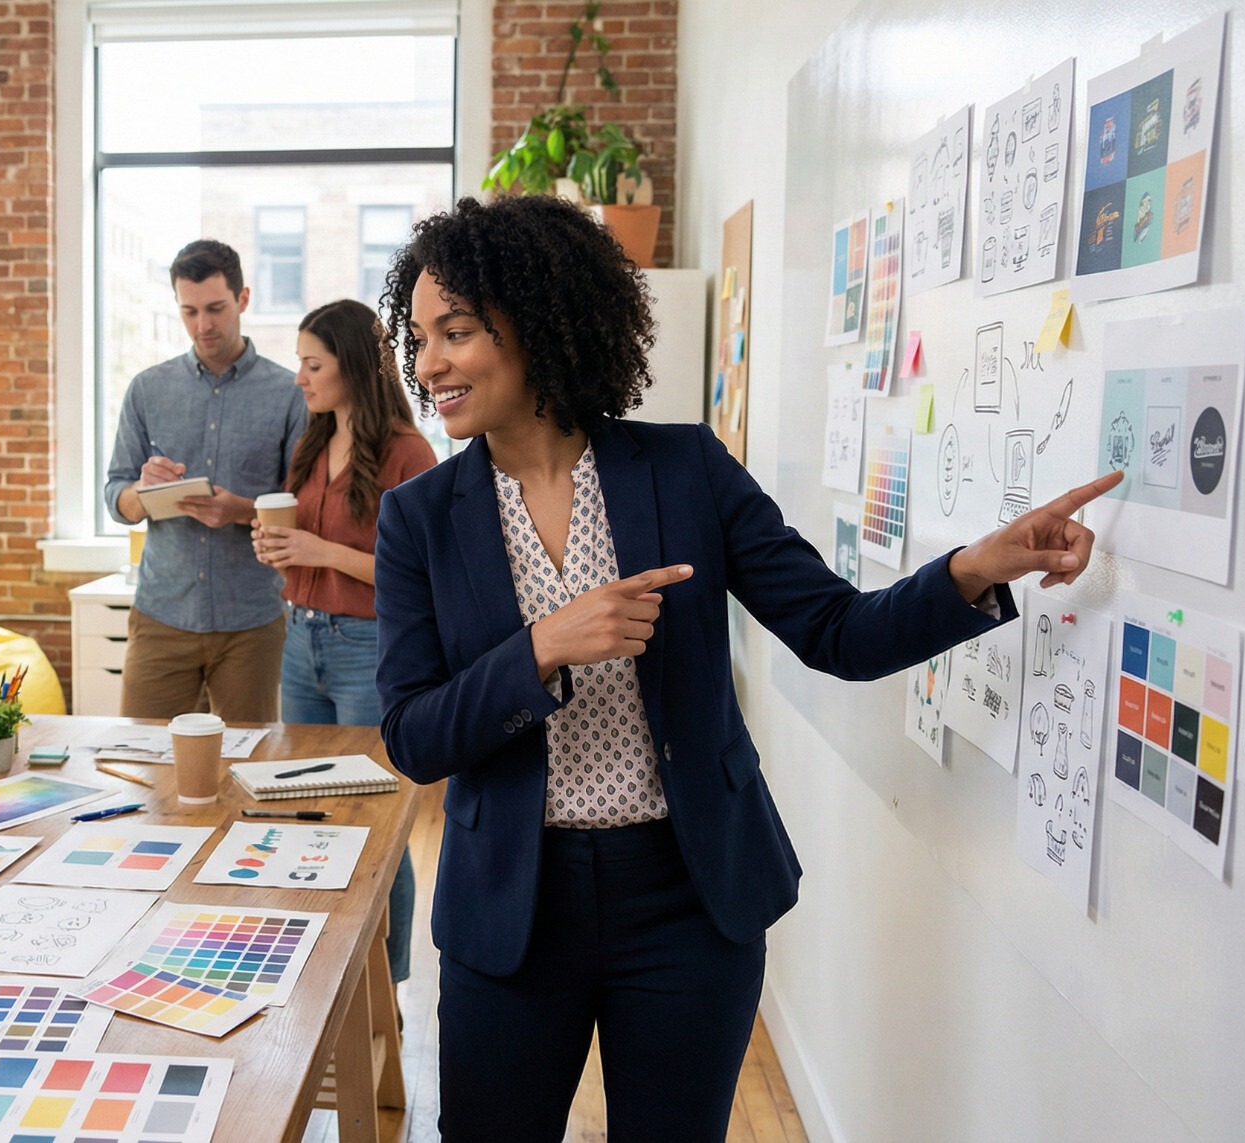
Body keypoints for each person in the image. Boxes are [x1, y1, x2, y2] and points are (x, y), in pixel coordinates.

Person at [371, 195, 1122, 1142]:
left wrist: (977, 566)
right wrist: (543, 646)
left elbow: (838, 630)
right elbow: (412, 736)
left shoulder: (685, 470)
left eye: (458, 332)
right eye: (421, 336)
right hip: (512, 907)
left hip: (686, 898)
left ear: (542, 320)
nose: (428, 363)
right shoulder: (419, 520)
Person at [251, 298, 437, 986]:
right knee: (305, 806)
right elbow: (301, 540)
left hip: (367, 648)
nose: (300, 376)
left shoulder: (407, 453)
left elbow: (416, 577)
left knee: (376, 815)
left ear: (351, 365)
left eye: (313, 363)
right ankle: (323, 965)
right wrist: (278, 547)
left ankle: (384, 984)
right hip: (300, 639)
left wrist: (318, 549)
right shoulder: (311, 439)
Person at [104, 239, 306, 722]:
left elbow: (304, 506)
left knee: (247, 766)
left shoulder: (289, 393)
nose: (203, 325)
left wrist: (237, 510)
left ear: (243, 299)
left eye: (215, 308)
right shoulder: (147, 390)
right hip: (161, 617)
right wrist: (143, 492)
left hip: (252, 623)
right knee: (144, 762)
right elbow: (116, 498)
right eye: (189, 311)